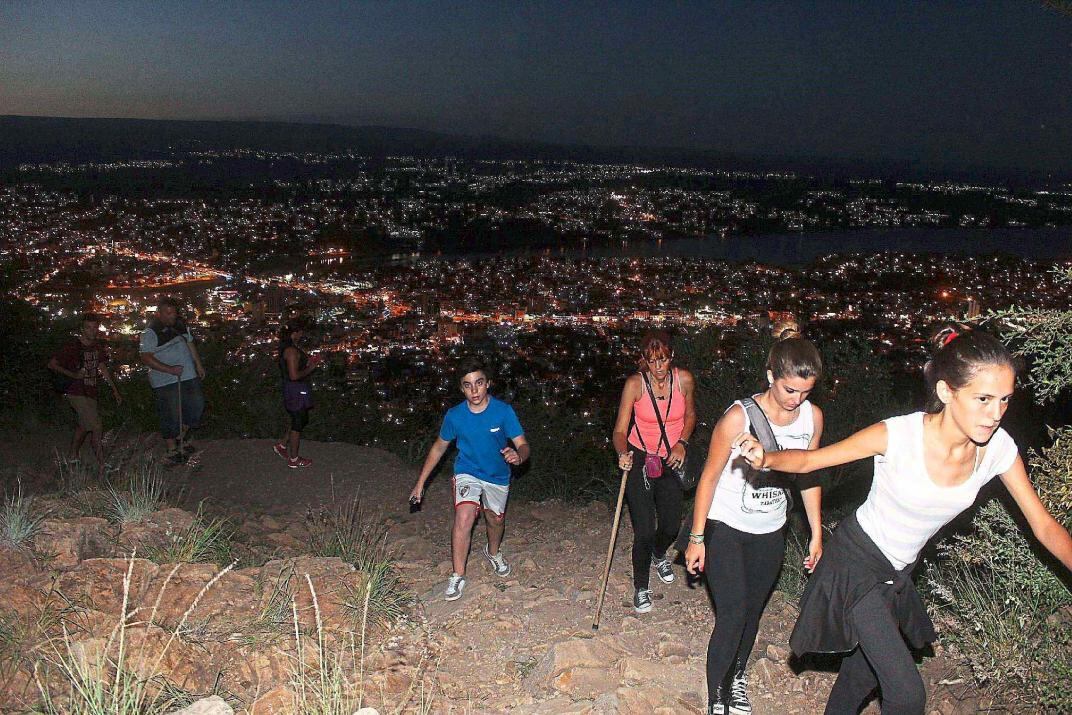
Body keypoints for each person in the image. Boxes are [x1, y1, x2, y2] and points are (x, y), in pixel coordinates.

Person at [734, 325, 1072, 715]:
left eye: (1005, 400)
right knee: (908, 694)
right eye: (983, 399)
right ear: (946, 392)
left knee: (862, 674)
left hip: (899, 571)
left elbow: (1044, 526)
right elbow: (812, 460)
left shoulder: (998, 451)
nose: (995, 414)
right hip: (856, 563)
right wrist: (767, 458)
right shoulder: (899, 435)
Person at [683, 321, 824, 715]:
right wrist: (696, 537)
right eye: (789, 389)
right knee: (732, 614)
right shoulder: (737, 418)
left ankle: (738, 678)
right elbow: (708, 477)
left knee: (752, 612)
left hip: (770, 529)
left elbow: (808, 473)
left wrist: (815, 532)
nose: (796, 400)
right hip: (726, 525)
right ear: (770, 376)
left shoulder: (813, 419)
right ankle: (717, 698)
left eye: (806, 391)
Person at [409, 358, 530, 601]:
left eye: (479, 383)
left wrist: (518, 456)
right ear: (461, 388)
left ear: (488, 384)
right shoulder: (455, 416)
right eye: (467, 385)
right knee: (464, 515)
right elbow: (438, 448)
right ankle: (457, 574)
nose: (474, 390)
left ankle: (493, 552)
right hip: (467, 470)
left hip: (497, 475)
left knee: (495, 520)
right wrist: (420, 482)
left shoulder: (503, 411)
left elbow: (523, 445)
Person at [611, 330, 696, 614]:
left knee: (671, 525)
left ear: (671, 357)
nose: (658, 367)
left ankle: (660, 555)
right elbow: (620, 430)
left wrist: (682, 443)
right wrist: (623, 453)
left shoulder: (683, 381)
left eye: (662, 360)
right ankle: (641, 586)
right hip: (640, 457)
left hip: (671, 457)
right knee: (644, 529)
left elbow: (691, 415)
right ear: (644, 360)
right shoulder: (635, 385)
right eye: (652, 361)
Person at [48, 313, 122, 474]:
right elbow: (52, 364)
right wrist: (73, 375)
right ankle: (102, 464)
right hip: (75, 390)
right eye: (88, 327)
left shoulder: (97, 347)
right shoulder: (73, 346)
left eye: (95, 327)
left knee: (84, 425)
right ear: (82, 328)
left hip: (91, 390)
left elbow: (102, 367)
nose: (92, 331)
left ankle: (72, 456)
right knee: (96, 425)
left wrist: (114, 389)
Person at [139, 297, 206, 465]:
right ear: (158, 313)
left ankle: (179, 439)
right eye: (167, 313)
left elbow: (190, 343)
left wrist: (198, 364)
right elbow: (145, 357)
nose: (171, 317)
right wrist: (169, 369)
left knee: (196, 406)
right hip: (165, 379)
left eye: (173, 313)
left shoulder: (180, 325)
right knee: (170, 413)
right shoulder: (151, 331)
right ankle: (172, 449)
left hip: (188, 374)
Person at [272, 320, 320, 469]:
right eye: (300, 332)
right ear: (295, 333)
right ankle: (294, 459)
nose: (302, 335)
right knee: (298, 421)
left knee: (300, 419)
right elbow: (293, 375)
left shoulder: (288, 347)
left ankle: (282, 445)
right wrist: (310, 368)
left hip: (296, 388)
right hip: (295, 389)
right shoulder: (291, 351)